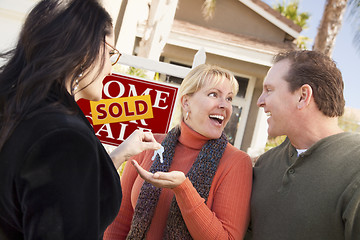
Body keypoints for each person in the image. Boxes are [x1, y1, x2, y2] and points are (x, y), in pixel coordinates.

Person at [0, 0, 161, 239]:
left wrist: (118, 155)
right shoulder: (64, 137)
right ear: (85, 47)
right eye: (110, 54)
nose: (111, 70)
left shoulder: (18, 110)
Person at [104, 64, 253, 239]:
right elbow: (120, 221)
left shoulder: (236, 162)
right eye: (214, 94)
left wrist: (183, 189)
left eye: (229, 98)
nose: (224, 105)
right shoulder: (149, 145)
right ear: (186, 102)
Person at [246, 50, 360, 240]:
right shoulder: (264, 165)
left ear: (303, 96)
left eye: (269, 90)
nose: (260, 101)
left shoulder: (355, 167)